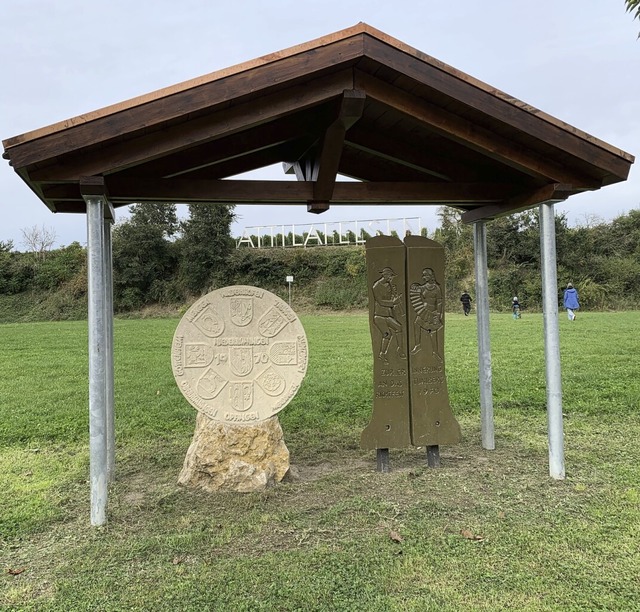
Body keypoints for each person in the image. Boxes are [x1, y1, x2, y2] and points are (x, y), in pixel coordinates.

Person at [372, 267, 406, 362]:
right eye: (390, 276)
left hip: (388, 315)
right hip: (379, 315)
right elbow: (380, 301)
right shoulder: (376, 286)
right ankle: (382, 354)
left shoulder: (389, 285)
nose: (391, 278)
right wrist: (393, 302)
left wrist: (395, 296)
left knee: (399, 327)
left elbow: (391, 297)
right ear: (385, 275)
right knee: (387, 334)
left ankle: (400, 349)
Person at [409, 267, 443, 359]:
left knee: (433, 331)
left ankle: (435, 352)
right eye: (423, 275)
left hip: (433, 312)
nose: (423, 277)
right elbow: (415, 291)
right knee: (416, 324)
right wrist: (414, 287)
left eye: (425, 275)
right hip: (424, 311)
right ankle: (417, 345)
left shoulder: (437, 288)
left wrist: (439, 314)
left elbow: (439, 301)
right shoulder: (422, 287)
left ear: (430, 276)